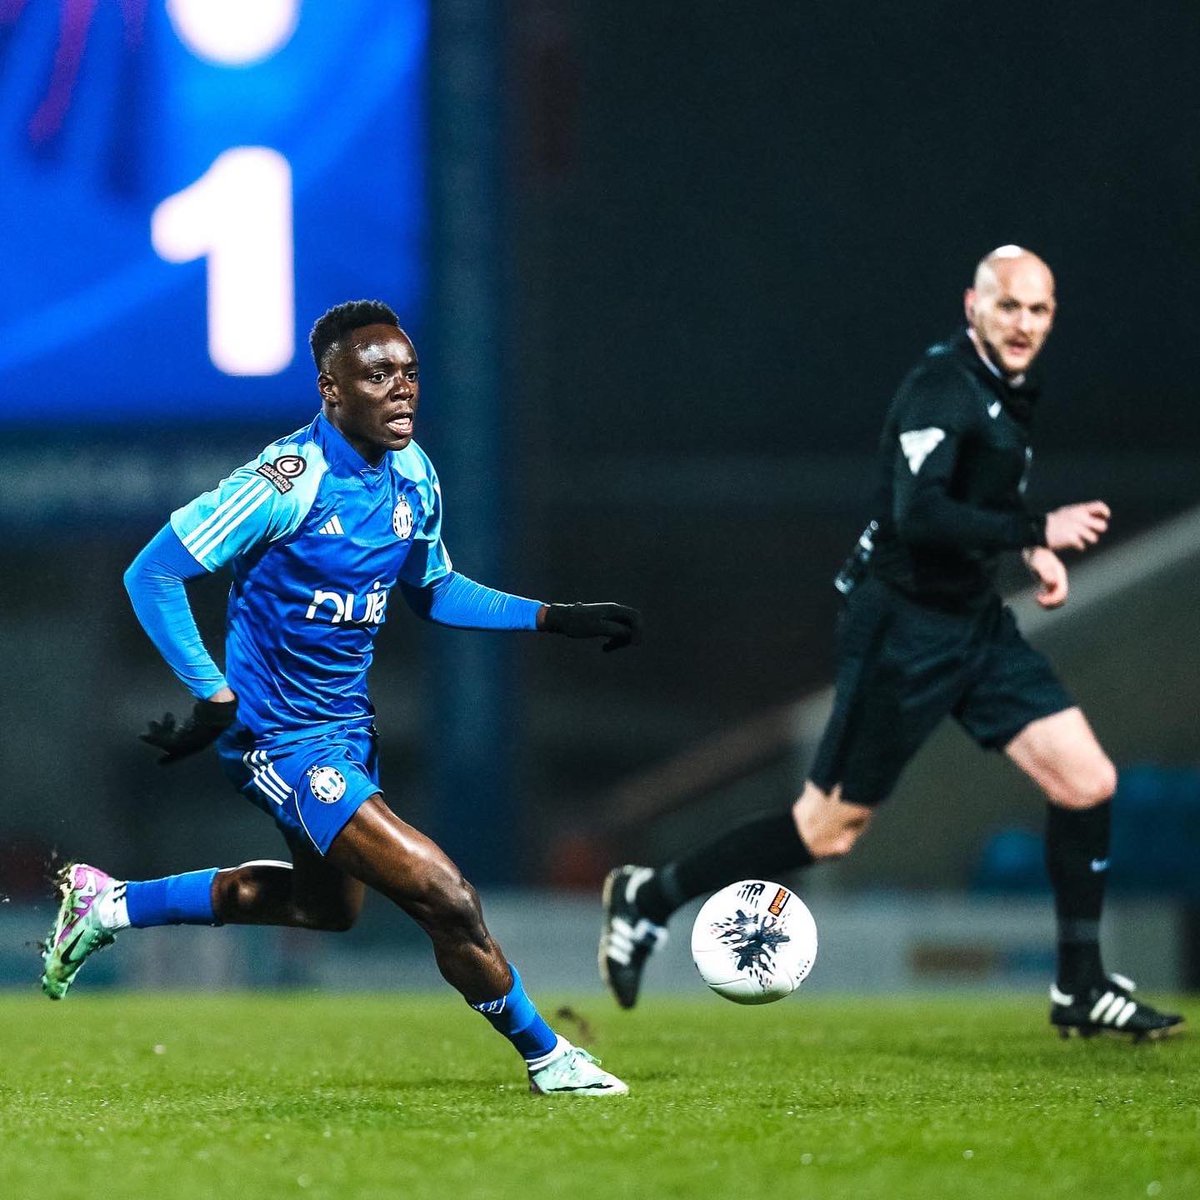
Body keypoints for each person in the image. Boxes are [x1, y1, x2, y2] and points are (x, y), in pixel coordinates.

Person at [42, 300, 642, 1096]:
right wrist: (213, 696)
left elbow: (432, 587)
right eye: (378, 374)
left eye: (411, 372)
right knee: (444, 894)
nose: (403, 390)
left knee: (327, 910)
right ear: (331, 389)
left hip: (346, 733)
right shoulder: (283, 483)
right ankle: (548, 1056)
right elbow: (150, 573)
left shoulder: (414, 473)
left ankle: (110, 904)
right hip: (276, 741)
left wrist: (550, 618)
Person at [599, 246, 1184, 1041]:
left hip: (975, 625)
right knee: (823, 833)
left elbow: (981, 493)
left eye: (1039, 310)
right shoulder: (939, 387)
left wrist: (1027, 549)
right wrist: (1035, 528)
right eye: (1008, 305)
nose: (1023, 324)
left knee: (1087, 780)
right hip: (902, 632)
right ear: (972, 305)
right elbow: (920, 513)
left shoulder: (1006, 388)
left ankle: (1079, 987)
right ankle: (648, 897)